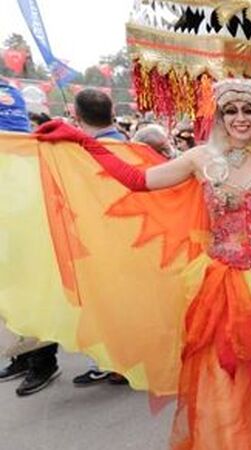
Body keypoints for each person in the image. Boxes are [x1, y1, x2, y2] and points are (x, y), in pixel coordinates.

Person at [29, 79, 251, 449]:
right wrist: (83, 140)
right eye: (232, 111)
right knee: (227, 369)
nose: (241, 119)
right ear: (220, 117)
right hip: (223, 282)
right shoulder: (200, 159)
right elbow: (137, 180)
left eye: (249, 111)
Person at [0, 79, 61, 397]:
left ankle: (43, 361)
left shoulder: (7, 93)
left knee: (32, 290)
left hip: (26, 228)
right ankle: (21, 356)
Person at [67, 88, 129, 387]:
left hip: (102, 240)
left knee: (108, 303)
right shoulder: (134, 146)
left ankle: (115, 363)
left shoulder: (81, 155)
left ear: (75, 115)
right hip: (133, 238)